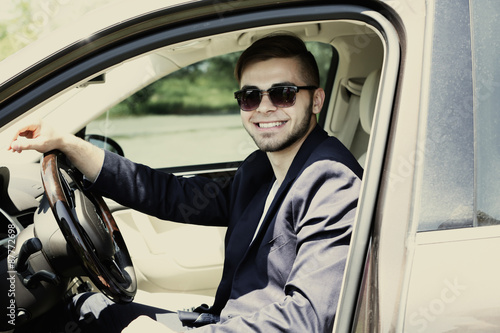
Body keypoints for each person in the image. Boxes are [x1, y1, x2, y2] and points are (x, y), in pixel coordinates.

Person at [9, 33, 363, 333]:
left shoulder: (332, 180)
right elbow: (173, 196)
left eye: (283, 93)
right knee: (86, 309)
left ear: (316, 99)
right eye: (251, 96)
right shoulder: (263, 168)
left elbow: (308, 318)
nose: (264, 108)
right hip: (225, 319)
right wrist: (69, 144)